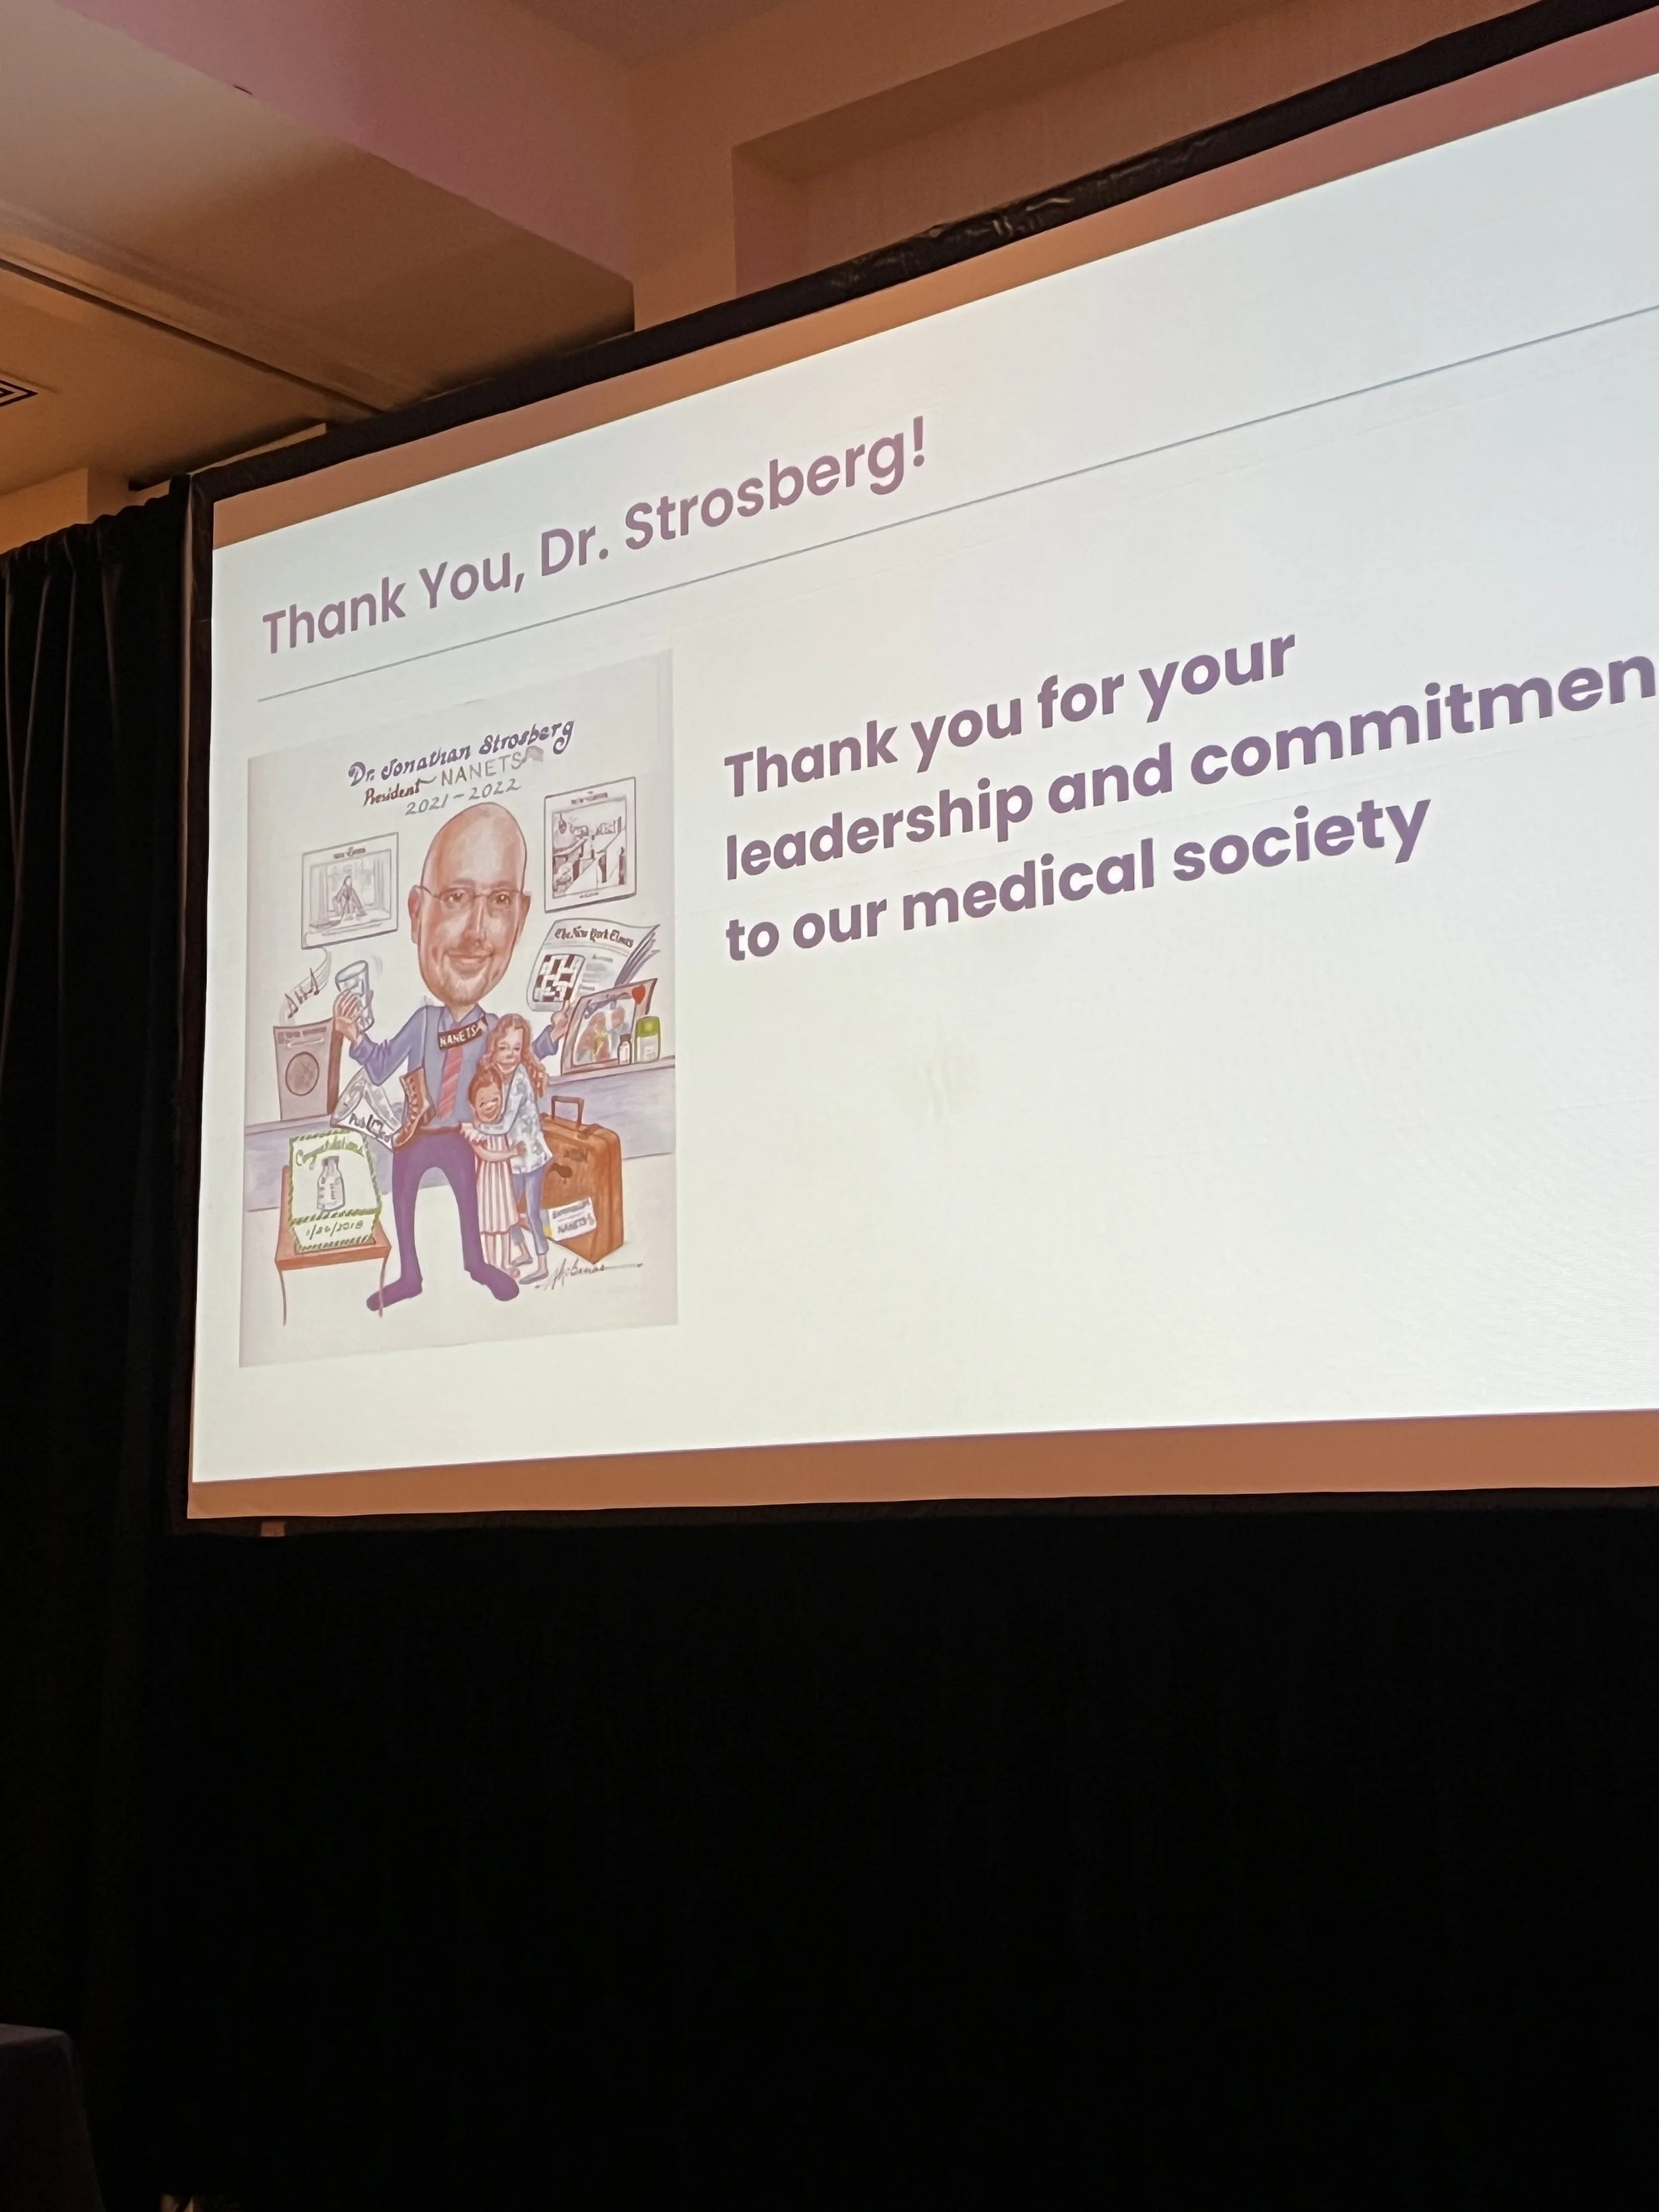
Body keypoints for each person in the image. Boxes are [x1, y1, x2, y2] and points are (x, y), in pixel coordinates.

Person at [331, 802, 532, 1309]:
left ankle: (477, 1263)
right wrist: (355, 1036)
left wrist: (555, 1036)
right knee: (402, 1198)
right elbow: (382, 1064)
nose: (476, 931)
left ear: (520, 917)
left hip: (462, 1135)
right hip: (416, 1132)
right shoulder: (423, 1022)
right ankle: (410, 1275)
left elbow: (523, 1055)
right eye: (457, 897)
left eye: (500, 900)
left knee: (469, 1203)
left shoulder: (493, 1029)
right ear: (417, 914)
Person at [481, 1013, 552, 1283]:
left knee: (531, 1213)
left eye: (516, 1049)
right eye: (504, 1048)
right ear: (494, 1047)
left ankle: (543, 1264)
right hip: (513, 1158)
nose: (509, 1055)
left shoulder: (520, 1077)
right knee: (508, 1209)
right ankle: (523, 1251)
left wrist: (478, 1129)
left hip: (531, 1156)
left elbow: (505, 1121)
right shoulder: (495, 1075)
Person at [461, 1067, 521, 1276]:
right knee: (489, 1226)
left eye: (495, 1100)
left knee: (504, 1224)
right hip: (487, 1184)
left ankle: (505, 1263)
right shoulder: (475, 1131)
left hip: (502, 1183)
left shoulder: (502, 1125)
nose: (490, 1106)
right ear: (473, 1106)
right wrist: (511, 1153)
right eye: (483, 1103)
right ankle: (491, 1265)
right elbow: (486, 1155)